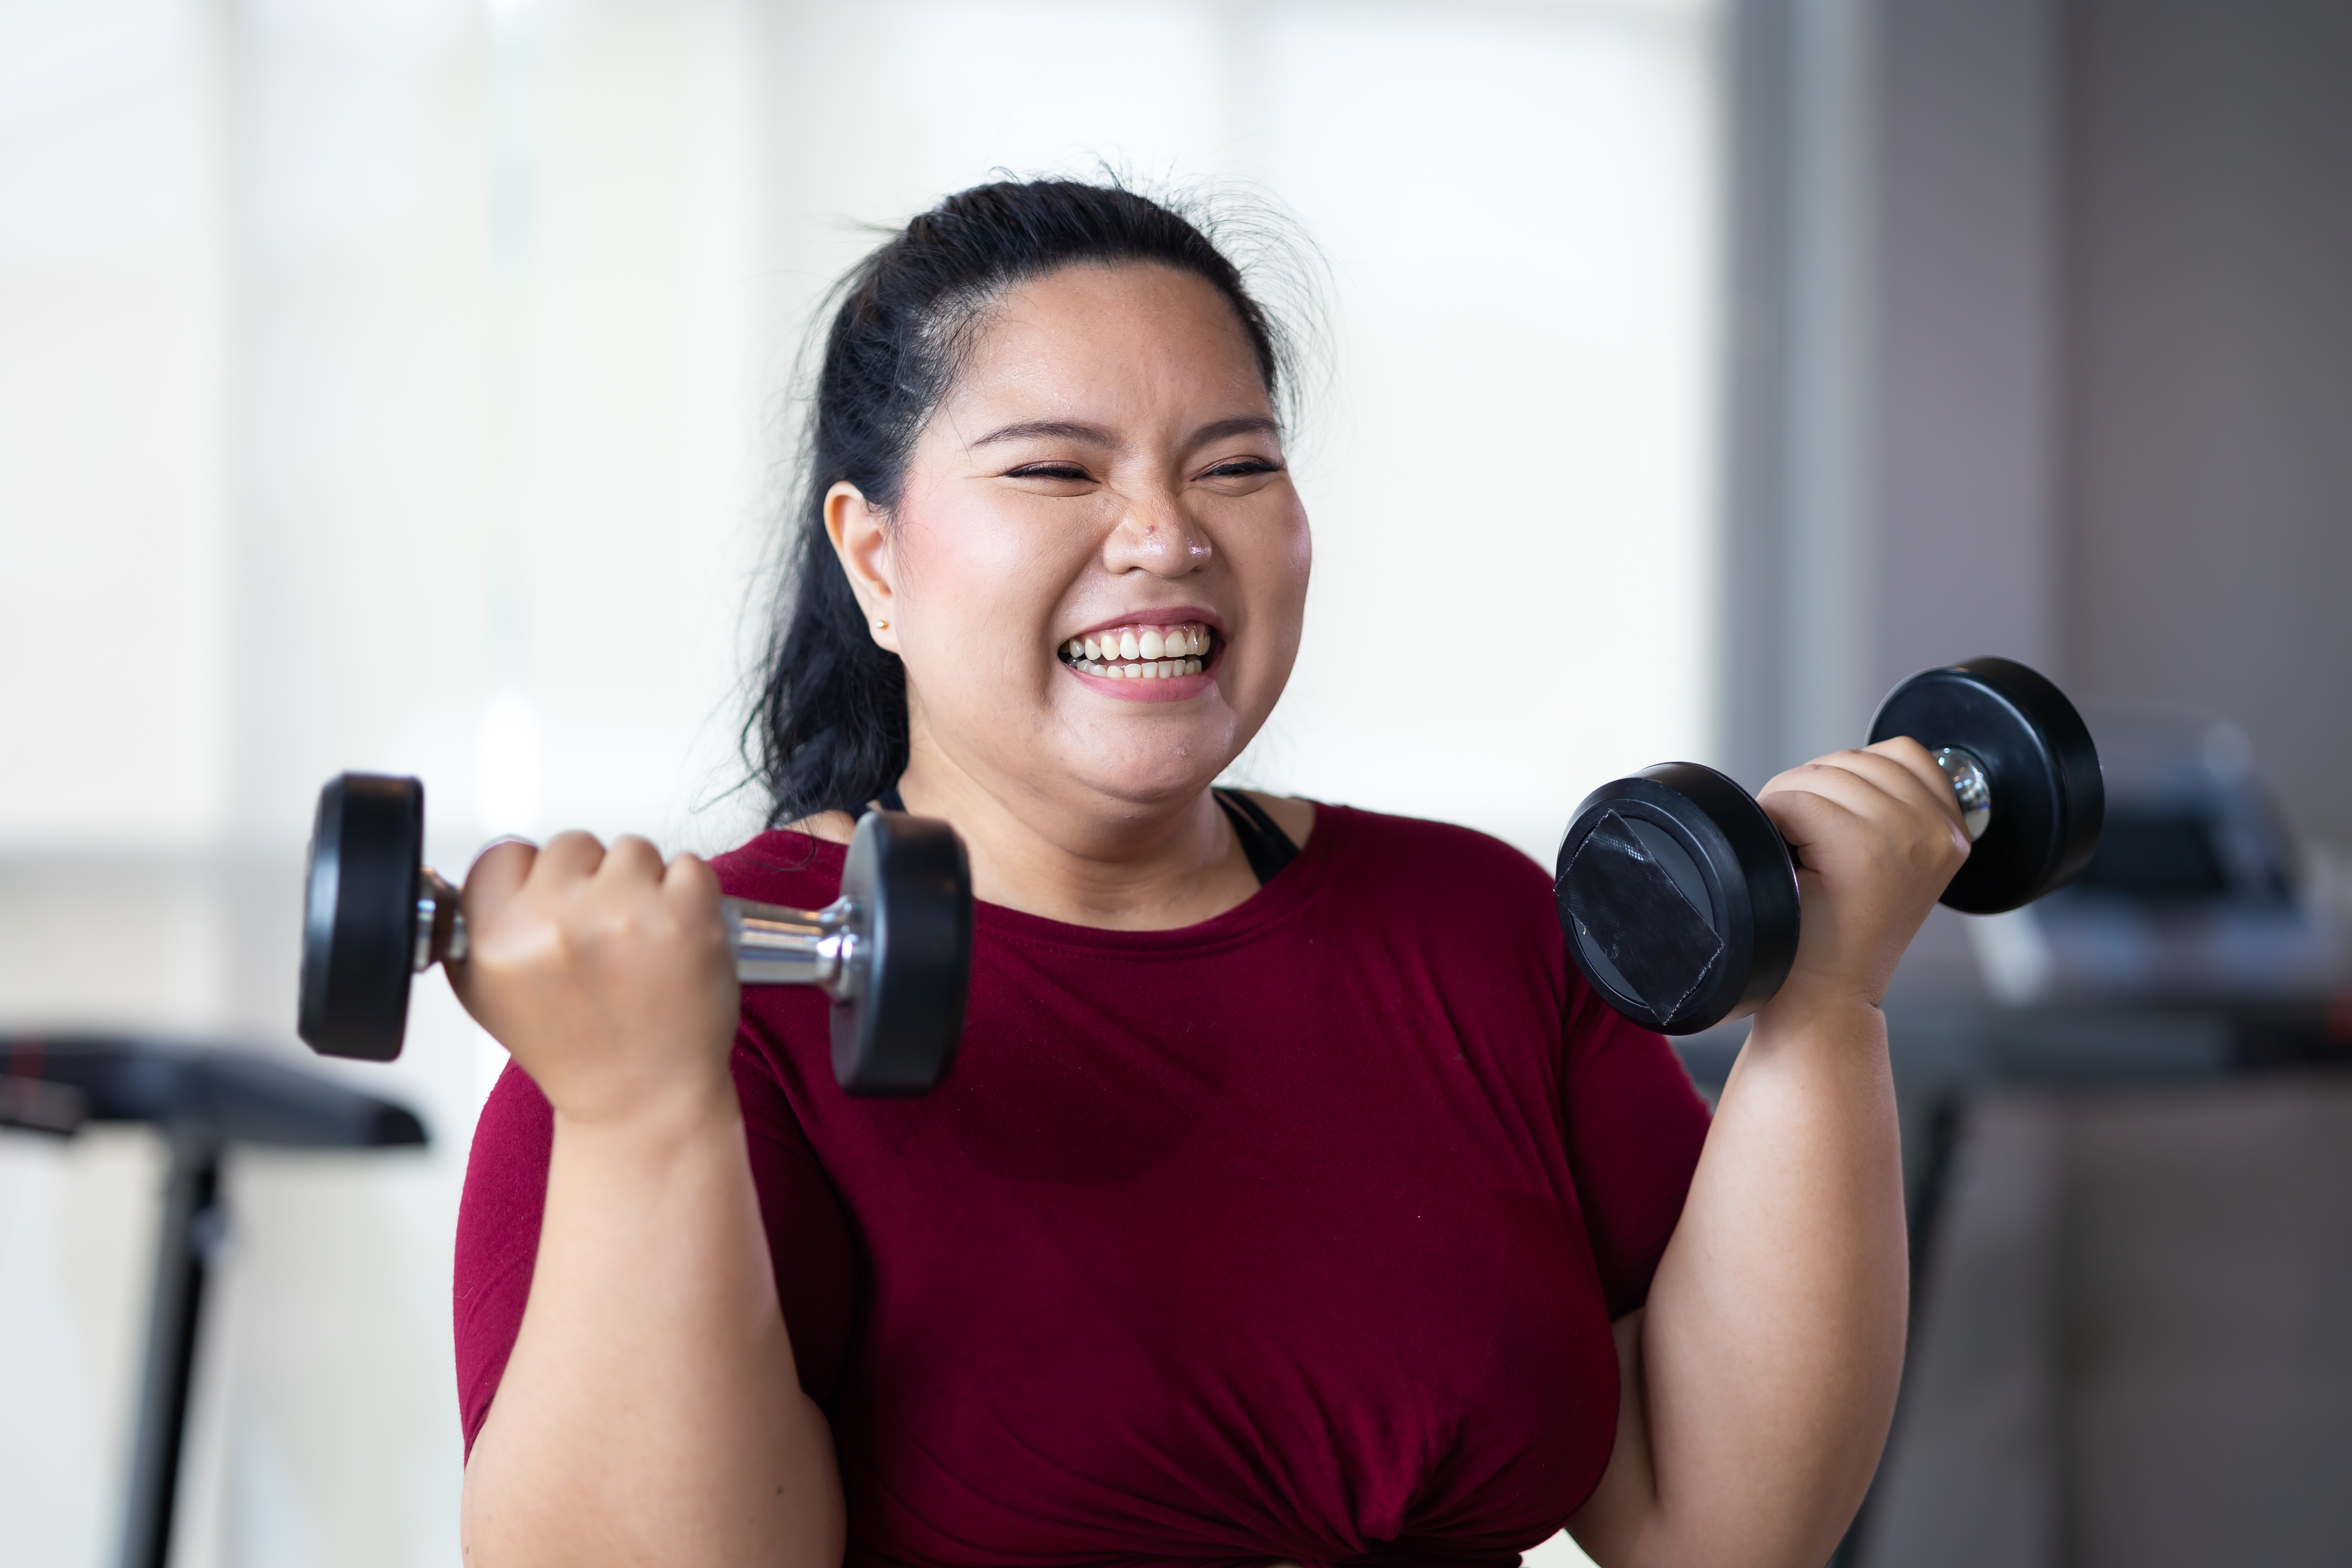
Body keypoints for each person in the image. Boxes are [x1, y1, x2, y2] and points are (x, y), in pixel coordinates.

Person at [448, 179, 1967, 1568]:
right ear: (875, 558)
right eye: (1056, 469)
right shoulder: (686, 1016)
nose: (1167, 538)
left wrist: (1827, 1004)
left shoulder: (1478, 930)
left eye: (1234, 464)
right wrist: (644, 1116)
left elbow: (1718, 1529)